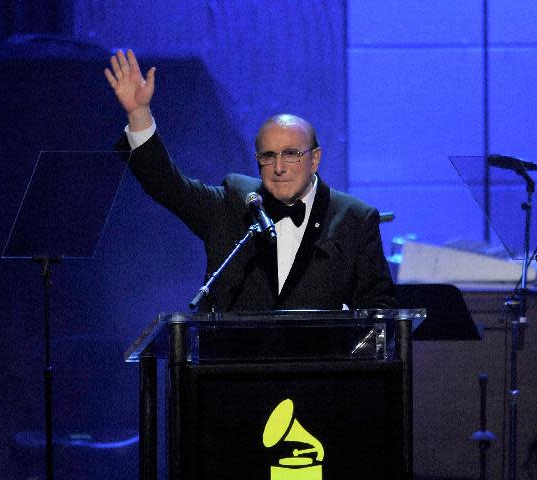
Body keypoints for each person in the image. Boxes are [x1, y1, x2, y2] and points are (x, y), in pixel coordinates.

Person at [104, 49, 396, 311]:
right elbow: (168, 186)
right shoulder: (234, 203)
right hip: (236, 366)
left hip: (321, 368)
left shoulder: (353, 218)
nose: (279, 167)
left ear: (315, 159)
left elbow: (380, 310)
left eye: (291, 154)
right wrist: (139, 113)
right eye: (268, 156)